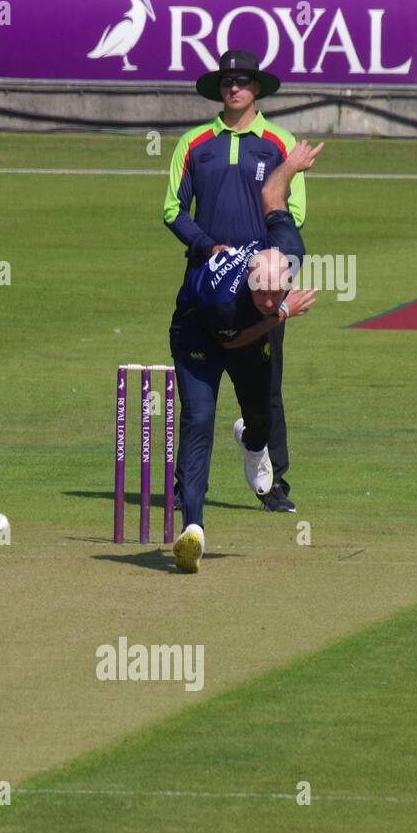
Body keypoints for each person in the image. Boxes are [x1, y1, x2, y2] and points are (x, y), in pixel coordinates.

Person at [169, 141, 323, 574]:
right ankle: (193, 530)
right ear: (251, 282)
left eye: (279, 291)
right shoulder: (228, 300)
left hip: (246, 334)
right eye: (264, 293)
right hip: (197, 333)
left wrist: (290, 166)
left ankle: (251, 442)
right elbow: (231, 343)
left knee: (261, 417)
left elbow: (271, 196)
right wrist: (282, 313)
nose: (271, 298)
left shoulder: (286, 247)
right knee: (199, 420)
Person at [163, 50, 305, 513]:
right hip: (205, 286)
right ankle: (187, 491)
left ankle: (272, 483)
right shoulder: (194, 142)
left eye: (243, 80)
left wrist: (260, 263)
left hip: (262, 286)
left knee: (266, 392)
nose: (234, 87)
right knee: (198, 399)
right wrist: (209, 247)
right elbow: (172, 210)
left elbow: (292, 213)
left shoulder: (280, 143)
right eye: (228, 81)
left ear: (257, 88)